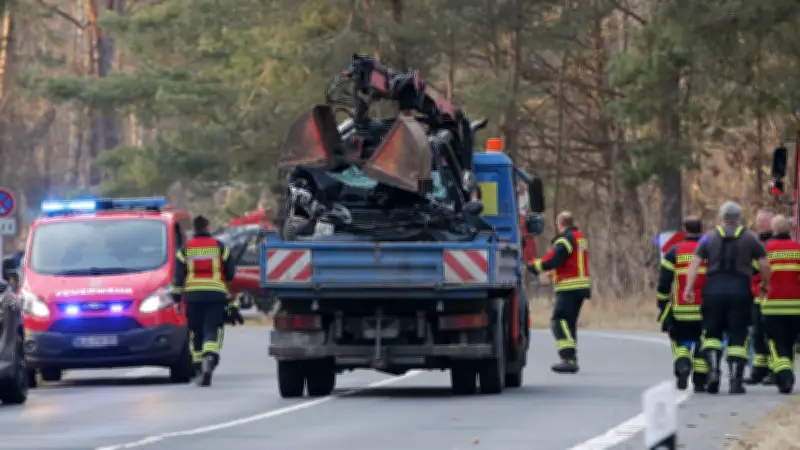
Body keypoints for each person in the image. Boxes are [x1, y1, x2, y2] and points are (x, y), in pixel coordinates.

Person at [685, 201, 770, 395]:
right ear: (739, 218)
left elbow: (694, 264)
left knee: (712, 333)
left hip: (713, 290)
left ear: (722, 217)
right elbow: (764, 264)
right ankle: (735, 381)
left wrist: (689, 288)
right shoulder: (750, 238)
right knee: (738, 334)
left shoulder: (708, 238)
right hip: (740, 290)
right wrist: (765, 284)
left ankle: (713, 372)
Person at [172, 215, 243, 387]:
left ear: (194, 228)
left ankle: (198, 367)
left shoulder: (184, 249)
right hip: (215, 295)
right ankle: (209, 361)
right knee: (212, 329)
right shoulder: (220, 247)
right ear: (207, 227)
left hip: (193, 297)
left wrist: (176, 299)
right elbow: (231, 273)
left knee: (195, 332)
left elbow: (178, 278)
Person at [527, 211, 591, 374]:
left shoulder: (566, 239)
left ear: (559, 224)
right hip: (580, 286)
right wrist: (554, 273)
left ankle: (567, 358)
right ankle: (571, 359)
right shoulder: (579, 237)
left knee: (558, 321)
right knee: (569, 324)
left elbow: (554, 259)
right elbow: (571, 262)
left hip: (569, 287)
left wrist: (534, 266)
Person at [656, 217, 708, 392]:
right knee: (703, 343)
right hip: (705, 308)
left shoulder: (674, 252)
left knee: (680, 342)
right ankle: (700, 381)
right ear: (702, 229)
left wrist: (662, 302)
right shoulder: (709, 251)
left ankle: (683, 365)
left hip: (681, 307)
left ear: (684, 230)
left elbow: (664, 281)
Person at [760, 214, 800, 394]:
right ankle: (785, 378)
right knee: (790, 342)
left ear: (773, 229)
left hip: (772, 304)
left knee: (776, 342)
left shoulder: (765, 250)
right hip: (796, 305)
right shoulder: (797, 249)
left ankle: (785, 374)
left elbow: (756, 274)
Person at [746, 209, 774, 385]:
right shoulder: (755, 242)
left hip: (771, 296)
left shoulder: (772, 244)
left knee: (769, 335)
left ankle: (773, 370)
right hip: (756, 296)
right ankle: (759, 370)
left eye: (764, 221)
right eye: (759, 221)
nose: (761, 225)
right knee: (757, 336)